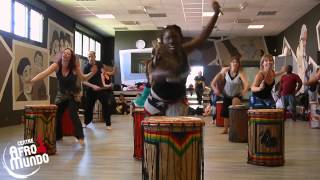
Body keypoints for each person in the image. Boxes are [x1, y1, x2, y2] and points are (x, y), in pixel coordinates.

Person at [144, 1, 222, 116]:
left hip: (177, 102)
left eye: (175, 37)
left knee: (178, 133)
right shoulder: (159, 56)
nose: (172, 40)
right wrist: (164, 71)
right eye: (168, 38)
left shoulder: (184, 50)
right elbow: (153, 76)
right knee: (157, 133)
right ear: (163, 41)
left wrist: (216, 13)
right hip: (156, 103)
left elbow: (202, 37)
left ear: (180, 38)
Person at [30, 48, 96, 145]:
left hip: (73, 95)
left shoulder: (74, 68)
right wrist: (32, 81)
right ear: (61, 55)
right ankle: (58, 135)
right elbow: (44, 73)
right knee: (57, 115)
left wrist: (92, 73)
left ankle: (80, 136)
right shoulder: (56, 66)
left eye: (68, 54)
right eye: (64, 53)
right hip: (61, 95)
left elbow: (83, 78)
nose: (65, 55)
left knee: (72, 113)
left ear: (71, 57)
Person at [211, 56, 249, 134]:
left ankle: (235, 127)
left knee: (234, 110)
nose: (235, 63)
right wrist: (215, 89)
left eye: (236, 62)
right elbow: (213, 82)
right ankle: (225, 129)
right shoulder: (225, 72)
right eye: (233, 62)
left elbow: (247, 84)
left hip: (236, 95)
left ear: (239, 64)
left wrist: (244, 90)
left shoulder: (240, 73)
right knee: (225, 112)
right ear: (230, 63)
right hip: (227, 95)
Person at [83, 51, 116, 130]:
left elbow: (103, 73)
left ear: (95, 56)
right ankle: (86, 122)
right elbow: (84, 80)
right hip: (91, 90)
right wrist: (93, 86)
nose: (90, 58)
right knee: (88, 107)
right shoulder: (86, 67)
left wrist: (106, 83)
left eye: (91, 56)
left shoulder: (99, 64)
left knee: (106, 105)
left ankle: (108, 123)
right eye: (89, 56)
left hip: (100, 89)